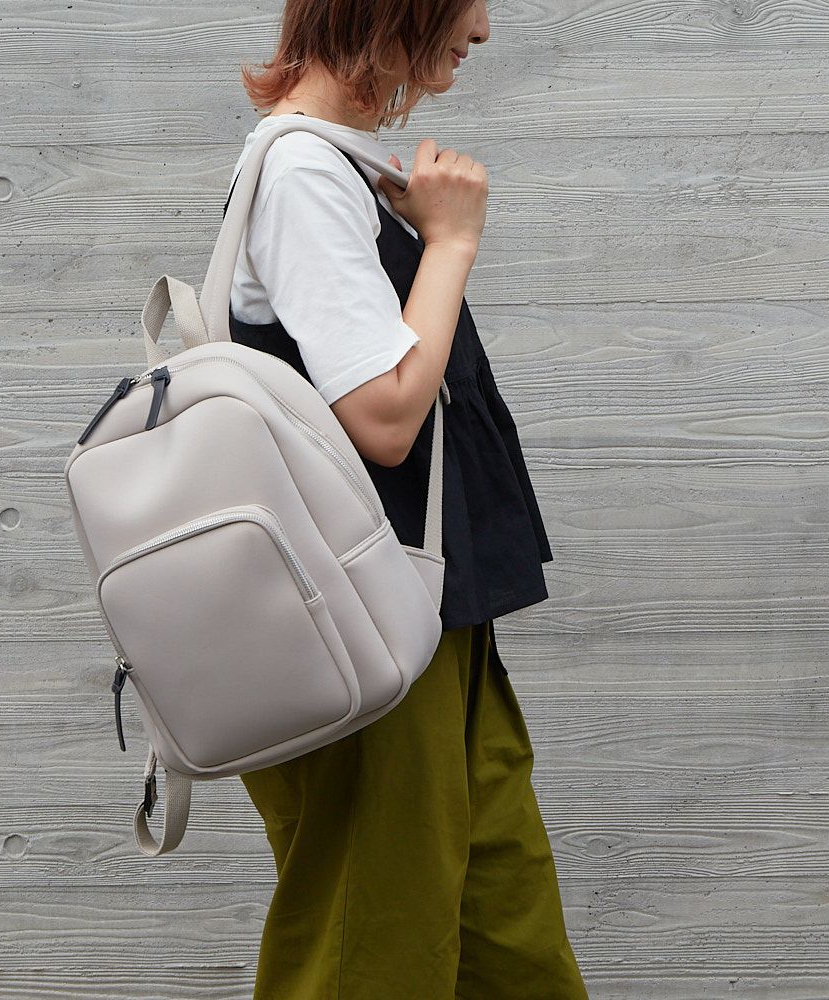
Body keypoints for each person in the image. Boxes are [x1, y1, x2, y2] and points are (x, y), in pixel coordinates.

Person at [222, 2, 590, 997]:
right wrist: (452, 243)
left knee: (507, 937)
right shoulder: (301, 175)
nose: (484, 25)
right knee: (370, 953)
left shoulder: (342, 170)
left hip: (429, 618)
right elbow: (384, 414)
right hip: (367, 634)